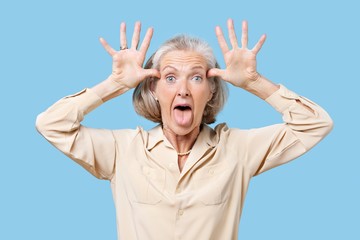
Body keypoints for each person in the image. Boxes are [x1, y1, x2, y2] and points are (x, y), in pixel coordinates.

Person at [36, 19, 333, 240]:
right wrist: (112, 85)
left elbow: (315, 124)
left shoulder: (238, 149)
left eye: (196, 78)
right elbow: (51, 124)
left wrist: (255, 82)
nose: (183, 90)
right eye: (169, 78)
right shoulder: (121, 151)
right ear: (153, 90)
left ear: (211, 92)